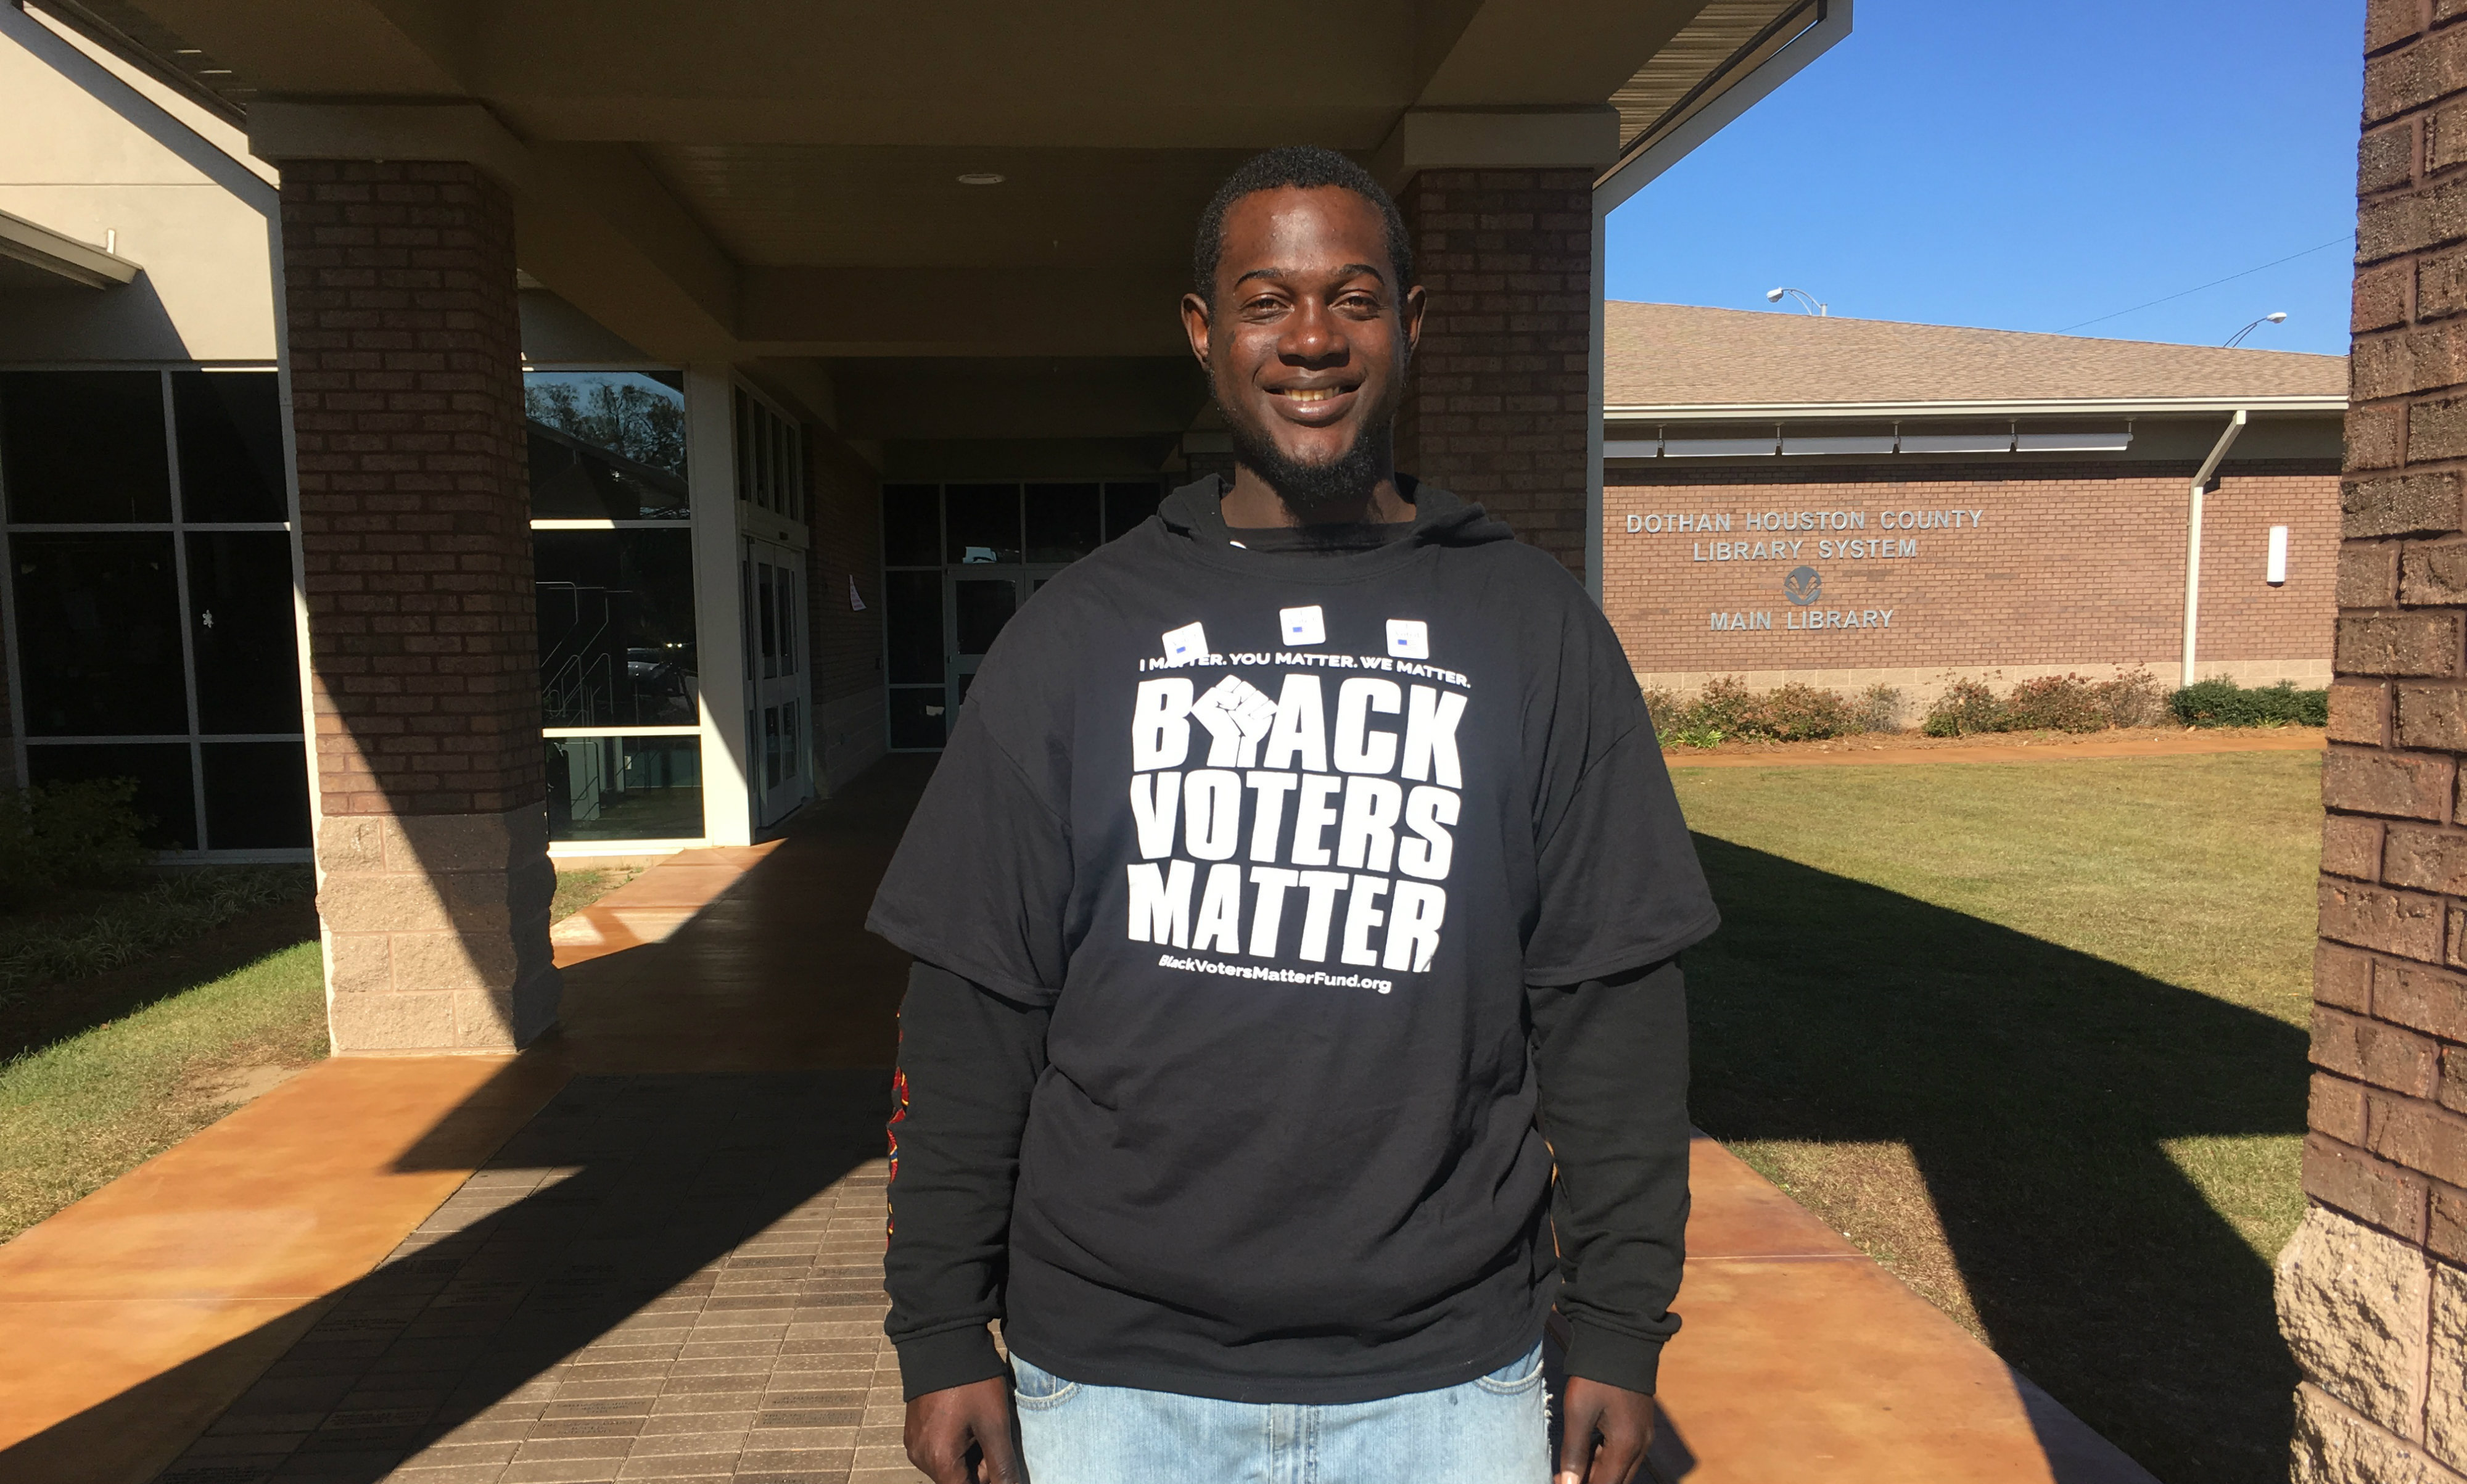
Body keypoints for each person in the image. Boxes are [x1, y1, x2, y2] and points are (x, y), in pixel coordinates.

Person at [867, 146, 1717, 1484]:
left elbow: (1608, 1001)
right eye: (1267, 300)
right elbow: (973, 1001)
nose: (1310, 339)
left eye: (1353, 298)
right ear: (1204, 332)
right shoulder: (1079, 634)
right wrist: (937, 1331)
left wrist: (1614, 1326)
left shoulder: (1528, 624)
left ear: (1409, 323)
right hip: (1111, 1376)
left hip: (1445, 1376)